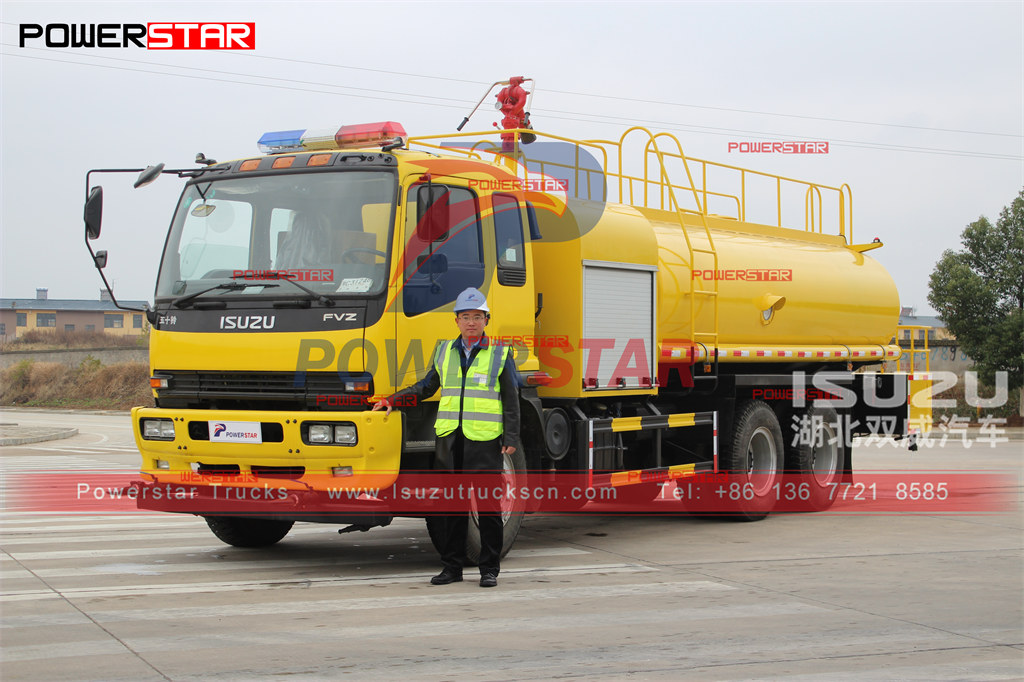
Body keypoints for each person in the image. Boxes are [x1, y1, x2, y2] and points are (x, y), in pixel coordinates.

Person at [373, 287, 520, 588]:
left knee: (488, 508)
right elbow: (426, 387)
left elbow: (511, 398)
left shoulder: (500, 354)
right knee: (451, 507)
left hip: (484, 439)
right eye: (465, 317)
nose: (470, 322)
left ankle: (488, 569)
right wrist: (393, 400)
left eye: (476, 317)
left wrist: (511, 436)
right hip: (451, 440)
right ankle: (452, 567)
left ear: (486, 320)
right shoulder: (444, 351)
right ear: (456, 321)